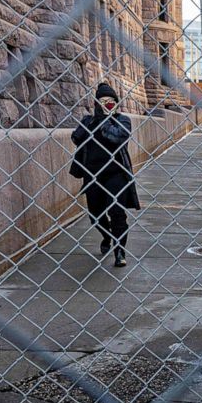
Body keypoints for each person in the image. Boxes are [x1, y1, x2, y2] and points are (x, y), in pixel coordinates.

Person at [69, 82, 140, 267]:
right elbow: (76, 138)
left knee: (117, 213)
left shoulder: (122, 120)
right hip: (93, 175)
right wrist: (93, 120)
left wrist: (105, 120)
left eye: (111, 101)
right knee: (96, 215)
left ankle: (119, 251)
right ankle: (107, 236)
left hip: (116, 175)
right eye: (103, 101)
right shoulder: (89, 120)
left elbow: (116, 137)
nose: (107, 104)